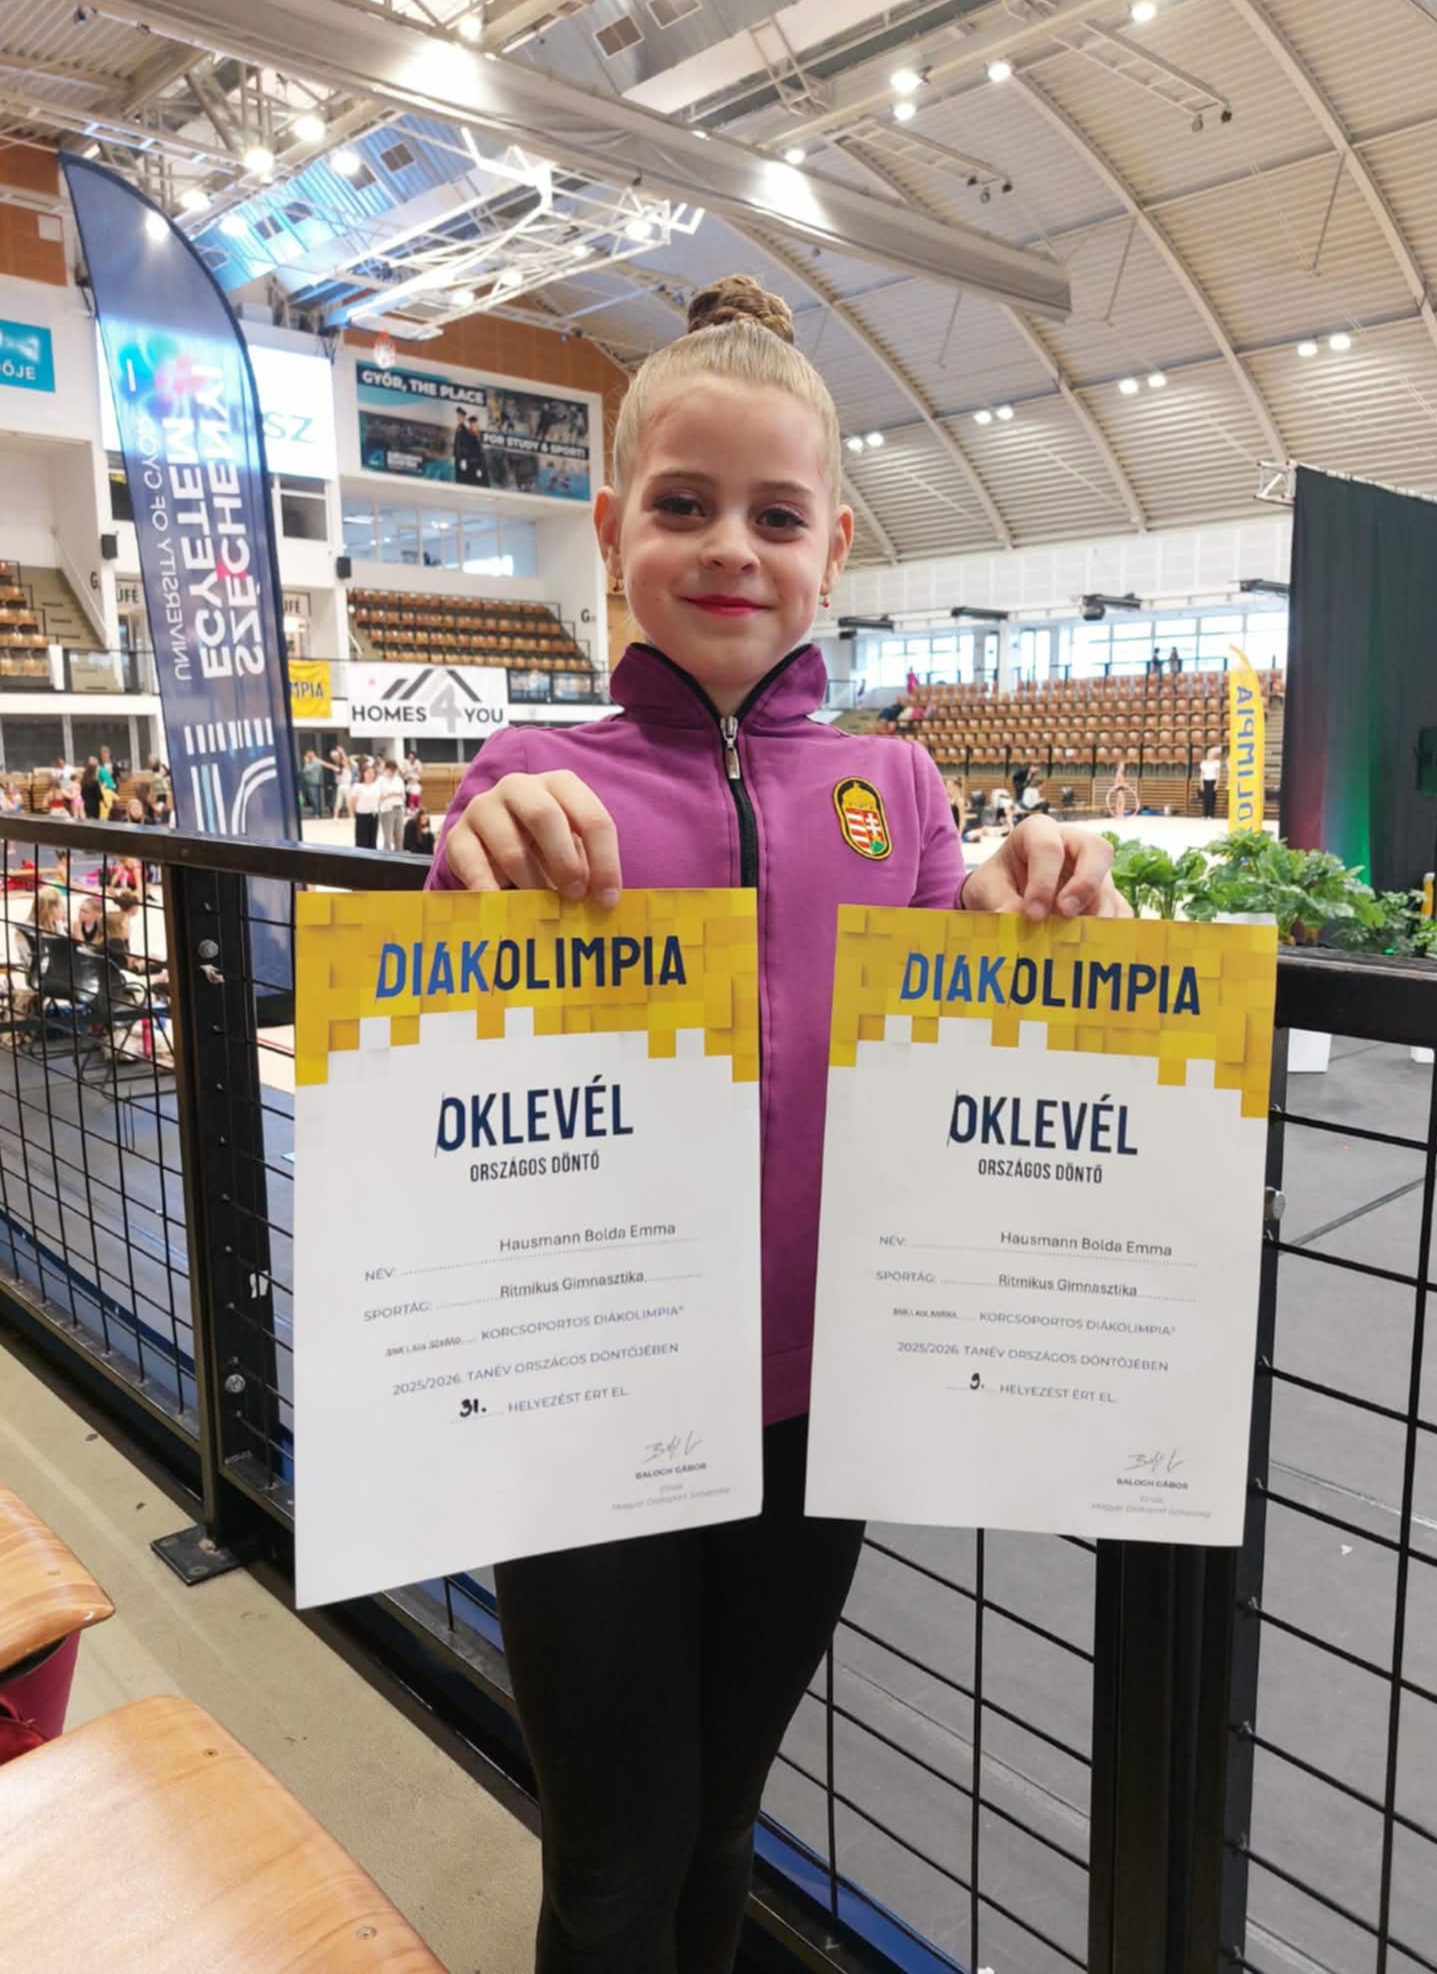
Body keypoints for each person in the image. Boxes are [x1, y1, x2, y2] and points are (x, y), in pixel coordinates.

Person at [425, 270, 1125, 1974]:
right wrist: (476, 863)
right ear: (612, 529)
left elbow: (955, 1016)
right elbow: (448, 1028)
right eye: (683, 506)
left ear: (836, 547)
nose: (730, 547)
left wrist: (1040, 899)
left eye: (776, 515)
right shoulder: (531, 775)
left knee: (727, 1821)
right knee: (611, 1859)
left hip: (815, 1413)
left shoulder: (901, 790)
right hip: (589, 1404)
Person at [376, 758, 407, 852]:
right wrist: (390, 794)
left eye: (394, 770)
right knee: (388, 838)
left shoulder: (399, 780)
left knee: (399, 837)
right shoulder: (380, 780)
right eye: (391, 770)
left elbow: (403, 796)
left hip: (399, 809)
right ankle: (387, 857)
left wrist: (396, 795)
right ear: (386, 769)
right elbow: (378, 797)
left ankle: (399, 856)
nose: (393, 772)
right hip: (387, 810)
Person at [352, 759, 380, 848]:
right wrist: (353, 814)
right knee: (362, 841)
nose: (371, 775)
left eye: (372, 773)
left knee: (373, 841)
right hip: (362, 815)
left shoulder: (376, 785)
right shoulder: (358, 786)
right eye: (369, 772)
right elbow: (352, 801)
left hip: (374, 815)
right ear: (364, 774)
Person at [299, 749, 327, 819]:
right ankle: (316, 812)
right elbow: (304, 772)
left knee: (314, 798)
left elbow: (306, 770)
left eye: (308, 754)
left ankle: (317, 813)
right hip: (308, 783)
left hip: (313, 783)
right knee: (312, 798)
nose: (307, 756)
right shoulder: (311, 762)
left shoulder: (315, 762)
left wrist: (306, 763)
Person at [1200, 743, 1222, 820]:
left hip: (1212, 781)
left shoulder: (1216, 763)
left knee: (1211, 799)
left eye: (1211, 754)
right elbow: (1202, 774)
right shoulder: (1203, 763)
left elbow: (1218, 774)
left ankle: (1210, 814)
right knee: (1205, 799)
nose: (1210, 755)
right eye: (1209, 754)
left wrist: (1217, 784)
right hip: (1205, 781)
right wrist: (1201, 784)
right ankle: (1204, 814)